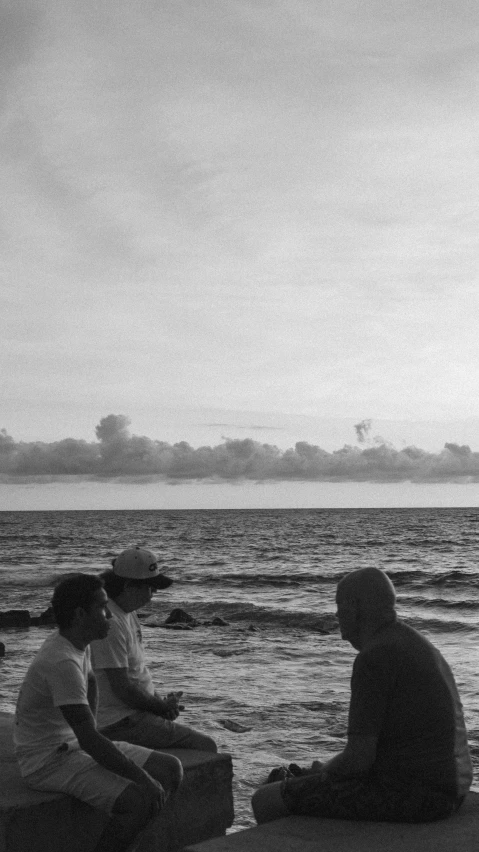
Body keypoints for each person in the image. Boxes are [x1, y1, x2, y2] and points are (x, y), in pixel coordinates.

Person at [252, 566, 472, 825]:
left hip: (418, 798)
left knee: (266, 799)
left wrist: (322, 772)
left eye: (338, 606)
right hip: (452, 789)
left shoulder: (374, 657)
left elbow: (359, 760)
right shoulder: (415, 643)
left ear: (354, 607)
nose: (336, 616)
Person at [14, 573, 183, 852]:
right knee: (139, 800)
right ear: (81, 614)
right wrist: (142, 779)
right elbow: (91, 740)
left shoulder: (78, 642)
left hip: (72, 744)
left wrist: (93, 727)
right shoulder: (62, 662)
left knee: (170, 768)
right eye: (103, 609)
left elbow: (91, 680)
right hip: (46, 760)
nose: (110, 615)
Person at [90, 546, 217, 753]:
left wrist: (160, 703)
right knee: (205, 746)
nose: (152, 596)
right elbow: (122, 688)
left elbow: (135, 674)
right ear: (129, 586)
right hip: (118, 721)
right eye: (150, 588)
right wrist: (159, 707)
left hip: (131, 714)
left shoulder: (126, 612)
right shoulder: (111, 623)